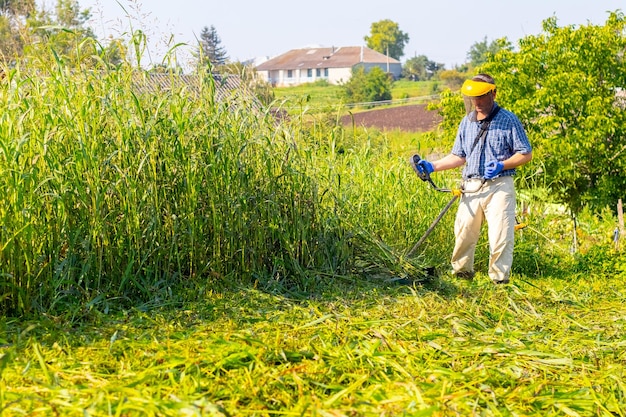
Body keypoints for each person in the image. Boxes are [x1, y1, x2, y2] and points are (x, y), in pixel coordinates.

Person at [414, 73, 532, 284]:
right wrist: (433, 166)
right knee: (464, 233)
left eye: (481, 97)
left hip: (499, 185)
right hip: (471, 185)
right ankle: (462, 276)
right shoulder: (466, 123)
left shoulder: (508, 120)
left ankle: (499, 281)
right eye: (473, 98)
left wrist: (502, 165)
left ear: (493, 93)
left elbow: (525, 153)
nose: (476, 102)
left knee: (500, 235)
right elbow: (459, 156)